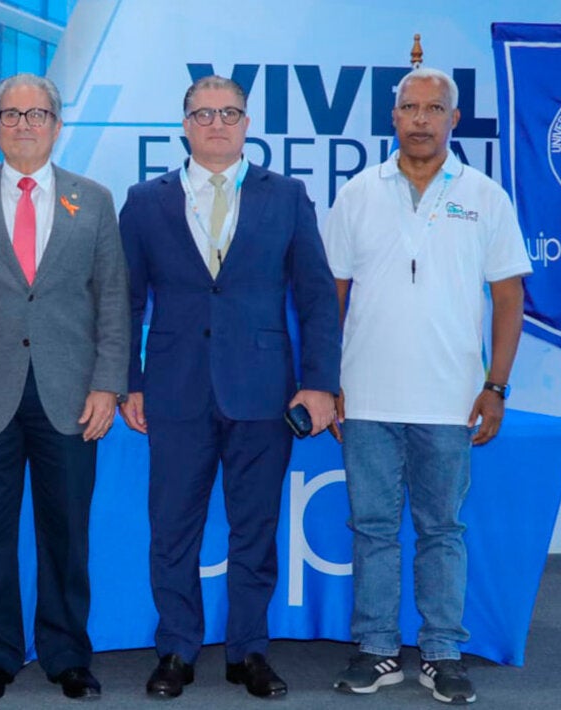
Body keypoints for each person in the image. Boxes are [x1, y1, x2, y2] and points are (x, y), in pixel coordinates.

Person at [118, 75, 340, 700]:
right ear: (184, 124)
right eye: (204, 113)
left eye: (230, 113)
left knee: (255, 527)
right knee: (173, 528)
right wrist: (127, 381)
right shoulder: (144, 200)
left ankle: (250, 652)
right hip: (174, 388)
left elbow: (318, 297)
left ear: (247, 124)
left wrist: (321, 384)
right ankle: (176, 651)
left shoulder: (288, 196)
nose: (217, 122)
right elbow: (126, 301)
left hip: (266, 392)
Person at [323, 67, 531, 706]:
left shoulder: (486, 195)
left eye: (433, 108)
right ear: (392, 118)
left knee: (443, 529)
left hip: (450, 398)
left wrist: (496, 385)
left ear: (453, 119)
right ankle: (378, 648)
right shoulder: (357, 193)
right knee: (373, 528)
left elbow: (507, 298)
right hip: (366, 397)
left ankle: (442, 652)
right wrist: (328, 385)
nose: (420, 118)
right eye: (409, 107)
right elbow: (328, 296)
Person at [0, 72, 129, 702]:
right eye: (10, 115)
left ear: (57, 125)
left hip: (71, 394)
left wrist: (108, 384)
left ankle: (67, 654)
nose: (23, 125)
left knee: (67, 532)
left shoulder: (93, 200)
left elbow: (113, 302)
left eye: (36, 114)